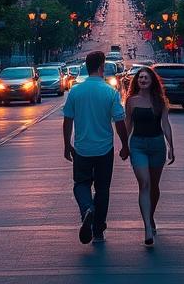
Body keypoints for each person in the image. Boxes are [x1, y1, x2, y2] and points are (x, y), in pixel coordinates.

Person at [62, 51, 129, 245]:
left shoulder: (75, 91)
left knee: (81, 184)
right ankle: (98, 230)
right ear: (101, 67)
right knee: (102, 189)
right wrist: (125, 145)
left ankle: (86, 209)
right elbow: (119, 122)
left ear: (86, 67)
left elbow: (68, 121)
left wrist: (67, 145)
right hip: (104, 149)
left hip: (82, 147)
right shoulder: (110, 92)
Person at [124, 67, 174, 247]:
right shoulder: (131, 101)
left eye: (146, 77)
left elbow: (166, 125)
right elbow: (128, 123)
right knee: (144, 183)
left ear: (152, 81)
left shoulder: (160, 101)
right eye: (140, 78)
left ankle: (150, 217)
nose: (143, 80)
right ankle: (147, 227)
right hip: (137, 145)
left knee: (154, 186)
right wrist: (124, 145)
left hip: (157, 145)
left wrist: (171, 146)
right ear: (136, 81)